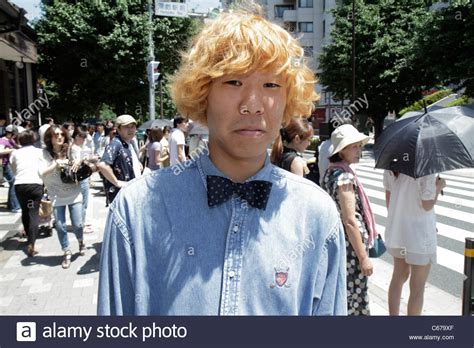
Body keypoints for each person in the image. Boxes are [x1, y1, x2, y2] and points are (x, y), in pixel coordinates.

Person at [98, 5, 347, 315]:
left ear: (287, 99)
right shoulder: (137, 210)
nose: (253, 105)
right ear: (203, 93)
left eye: (271, 85)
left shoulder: (317, 214)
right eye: (233, 82)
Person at [322, 124, 377, 316]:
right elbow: (350, 220)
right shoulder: (344, 176)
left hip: (342, 244)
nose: (359, 150)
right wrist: (364, 258)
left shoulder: (331, 172)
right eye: (354, 146)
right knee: (354, 298)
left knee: (345, 295)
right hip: (350, 249)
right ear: (342, 150)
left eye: (359, 146)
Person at [384, 170, 446, 315]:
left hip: (398, 230)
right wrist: (439, 187)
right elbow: (427, 205)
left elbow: (389, 197)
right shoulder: (426, 168)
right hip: (419, 234)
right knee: (417, 287)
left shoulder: (392, 165)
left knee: (398, 276)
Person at [39, 125, 85, 269]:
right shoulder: (44, 154)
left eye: (61, 134)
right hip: (56, 195)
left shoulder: (71, 150)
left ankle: (80, 240)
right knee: (60, 226)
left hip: (74, 193)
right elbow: (41, 173)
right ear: (49, 138)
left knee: (78, 224)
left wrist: (79, 161)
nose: (59, 137)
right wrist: (55, 164)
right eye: (55, 135)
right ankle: (66, 251)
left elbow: (83, 160)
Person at [10, 130, 44, 256]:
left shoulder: (15, 153)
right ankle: (32, 243)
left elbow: (14, 169)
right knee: (33, 213)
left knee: (25, 211)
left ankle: (28, 236)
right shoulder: (39, 152)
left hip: (20, 185)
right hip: (35, 184)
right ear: (33, 139)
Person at [97, 115, 142, 204]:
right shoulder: (116, 143)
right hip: (121, 196)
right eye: (126, 127)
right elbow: (102, 165)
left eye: (132, 126)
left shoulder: (128, 142)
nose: (130, 129)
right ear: (118, 129)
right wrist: (117, 182)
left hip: (130, 193)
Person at [69, 126, 97, 233]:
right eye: (82, 137)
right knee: (83, 202)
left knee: (82, 201)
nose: (84, 140)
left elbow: (88, 159)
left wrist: (91, 158)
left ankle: (80, 222)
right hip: (80, 177)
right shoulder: (74, 148)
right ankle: (82, 224)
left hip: (83, 176)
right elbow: (78, 162)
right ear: (77, 136)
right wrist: (86, 159)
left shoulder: (81, 147)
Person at [0, 125, 21, 212]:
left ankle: (11, 204)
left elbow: (17, 146)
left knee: (12, 183)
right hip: (4, 165)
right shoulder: (2, 141)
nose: (15, 136)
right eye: (14, 134)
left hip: (9, 164)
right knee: (13, 183)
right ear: (10, 133)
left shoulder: (10, 140)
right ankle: (15, 206)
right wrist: (11, 150)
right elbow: (0, 151)